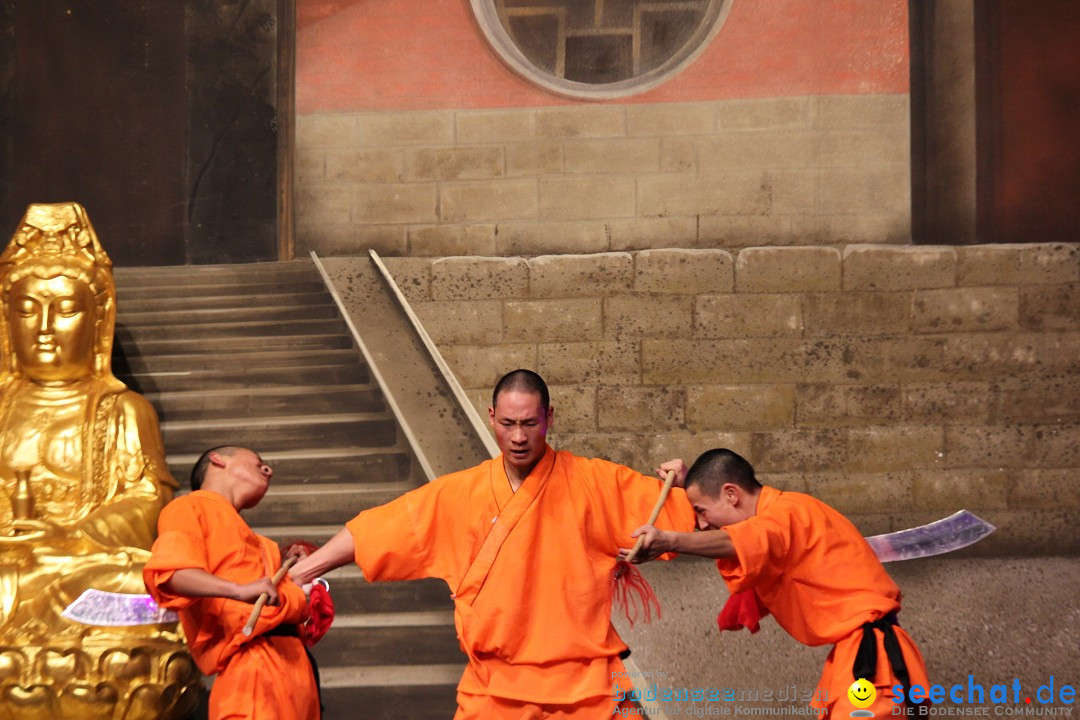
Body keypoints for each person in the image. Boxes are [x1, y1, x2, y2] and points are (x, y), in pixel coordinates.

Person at [290, 369, 695, 719]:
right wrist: (304, 572)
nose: (518, 437)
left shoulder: (595, 483)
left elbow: (694, 509)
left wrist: (683, 479)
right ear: (490, 418)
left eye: (529, 423)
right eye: (507, 423)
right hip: (494, 685)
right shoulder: (460, 492)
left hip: (585, 681)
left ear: (549, 418)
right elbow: (377, 530)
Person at [621, 448, 930, 720]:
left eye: (701, 511)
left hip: (872, 659)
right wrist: (690, 488)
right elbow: (747, 543)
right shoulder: (786, 517)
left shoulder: (786, 514)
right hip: (863, 655)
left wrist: (670, 539)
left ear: (731, 494)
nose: (701, 523)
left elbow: (743, 540)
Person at [143, 446, 320, 720]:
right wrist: (238, 591)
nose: (268, 469)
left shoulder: (258, 541)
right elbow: (172, 573)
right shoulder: (188, 507)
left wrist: (288, 563)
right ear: (218, 460)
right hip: (252, 667)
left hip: (295, 668)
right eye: (258, 462)